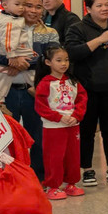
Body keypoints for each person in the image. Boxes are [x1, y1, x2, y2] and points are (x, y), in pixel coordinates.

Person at [64, 0, 108, 187]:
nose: (104, 9)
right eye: (99, 5)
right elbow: (72, 53)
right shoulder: (77, 29)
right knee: (87, 130)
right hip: (86, 88)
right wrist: (100, 39)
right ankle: (87, 169)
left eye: (107, 4)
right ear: (88, 9)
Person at [34, 46, 87, 200]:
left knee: (73, 156)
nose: (64, 64)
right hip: (53, 127)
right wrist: (58, 117)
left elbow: (82, 98)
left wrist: (77, 115)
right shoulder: (45, 83)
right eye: (59, 60)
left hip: (72, 125)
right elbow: (40, 106)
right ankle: (53, 186)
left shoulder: (73, 81)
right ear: (48, 62)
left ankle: (71, 183)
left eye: (66, 60)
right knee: (54, 157)